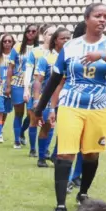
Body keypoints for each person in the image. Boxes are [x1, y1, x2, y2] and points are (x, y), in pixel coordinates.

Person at [35, 3, 106, 211]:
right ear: (87, 19)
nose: (103, 19)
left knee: (90, 153)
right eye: (98, 15)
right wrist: (41, 108)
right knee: (65, 153)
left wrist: (103, 55)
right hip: (71, 105)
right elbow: (55, 78)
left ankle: (83, 193)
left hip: (99, 107)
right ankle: (59, 205)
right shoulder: (71, 46)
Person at [35, 26, 69, 168]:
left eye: (68, 38)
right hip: (48, 99)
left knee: (65, 128)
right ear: (55, 41)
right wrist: (37, 100)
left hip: (67, 99)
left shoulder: (71, 58)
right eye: (63, 38)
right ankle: (41, 157)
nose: (66, 41)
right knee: (46, 127)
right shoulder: (46, 59)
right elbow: (38, 80)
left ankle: (55, 155)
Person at [13, 22, 40, 152]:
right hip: (18, 83)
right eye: (28, 31)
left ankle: (23, 131)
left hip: (33, 83)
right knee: (18, 113)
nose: (30, 33)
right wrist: (8, 85)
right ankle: (17, 139)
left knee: (31, 115)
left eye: (33, 31)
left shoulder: (39, 49)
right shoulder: (17, 47)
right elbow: (11, 66)